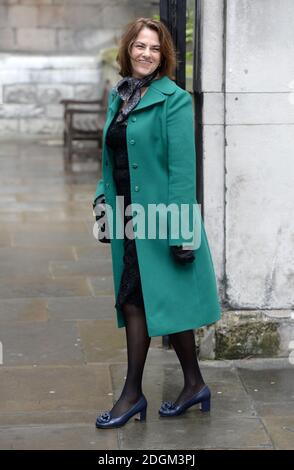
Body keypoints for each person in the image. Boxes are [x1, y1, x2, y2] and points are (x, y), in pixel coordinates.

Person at [93, 17, 221, 429]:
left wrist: (182, 232)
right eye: (139, 46)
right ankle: (195, 383)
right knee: (157, 303)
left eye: (155, 48)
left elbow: (182, 170)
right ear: (128, 50)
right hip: (128, 216)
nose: (146, 54)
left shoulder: (175, 100)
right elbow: (109, 158)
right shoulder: (120, 95)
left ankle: (131, 394)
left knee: (141, 301)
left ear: (163, 55)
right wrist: (101, 202)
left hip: (163, 221)